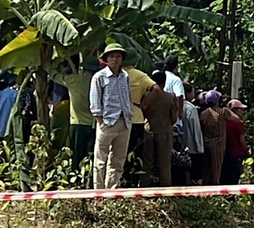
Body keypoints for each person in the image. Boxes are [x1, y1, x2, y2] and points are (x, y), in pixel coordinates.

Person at [89, 44, 132, 191]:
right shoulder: (99, 77)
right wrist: (100, 121)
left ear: (122, 59)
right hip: (107, 122)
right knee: (100, 159)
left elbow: (127, 97)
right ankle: (98, 191)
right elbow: (95, 101)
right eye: (112, 56)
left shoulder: (125, 76)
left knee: (118, 160)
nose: (115, 59)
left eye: (118, 56)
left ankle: (111, 190)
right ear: (106, 59)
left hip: (124, 121)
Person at [141, 71, 181, 186]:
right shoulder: (170, 97)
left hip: (148, 130)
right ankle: (166, 189)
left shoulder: (146, 97)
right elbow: (174, 117)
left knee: (147, 162)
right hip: (165, 131)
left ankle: (143, 187)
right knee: (165, 162)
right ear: (165, 82)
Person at [59, 60, 95, 169]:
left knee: (76, 156)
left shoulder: (74, 80)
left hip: (78, 124)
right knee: (91, 156)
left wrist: (49, 65)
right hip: (95, 124)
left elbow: (55, 76)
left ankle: (76, 180)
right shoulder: (102, 81)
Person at [198, 91, 228, 185]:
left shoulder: (203, 114)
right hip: (218, 143)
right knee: (216, 167)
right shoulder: (222, 112)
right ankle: (215, 189)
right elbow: (237, 119)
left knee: (207, 167)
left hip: (206, 142)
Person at [223, 99, 250, 185]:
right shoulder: (238, 123)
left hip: (225, 154)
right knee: (234, 179)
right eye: (240, 109)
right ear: (234, 110)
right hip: (236, 154)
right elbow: (242, 140)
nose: (243, 111)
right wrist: (246, 152)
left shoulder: (224, 122)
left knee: (225, 177)